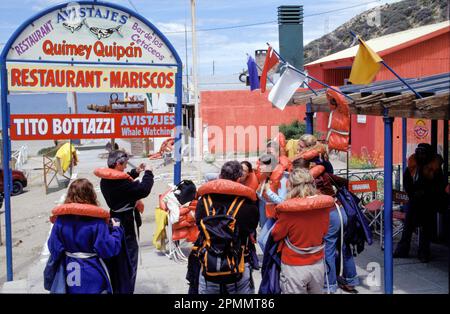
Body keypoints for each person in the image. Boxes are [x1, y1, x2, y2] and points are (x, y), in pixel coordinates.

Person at [45, 179, 124, 294]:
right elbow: (109, 249)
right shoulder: (97, 222)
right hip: (93, 272)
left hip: (70, 271)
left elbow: (54, 249)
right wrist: (116, 230)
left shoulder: (61, 220)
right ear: (91, 195)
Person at [293, 157, 358, 293]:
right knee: (345, 246)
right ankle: (351, 280)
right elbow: (347, 183)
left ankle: (330, 285)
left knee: (328, 250)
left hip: (329, 215)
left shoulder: (305, 182)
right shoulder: (326, 175)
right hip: (341, 211)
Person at [194, 161, 259, 294]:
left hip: (210, 265)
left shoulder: (204, 201)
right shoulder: (247, 204)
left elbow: (199, 225)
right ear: (238, 178)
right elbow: (250, 228)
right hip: (238, 266)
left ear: (220, 176)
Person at [94, 150, 154, 292]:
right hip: (127, 224)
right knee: (129, 261)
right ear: (118, 163)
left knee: (117, 261)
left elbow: (122, 179)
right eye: (125, 164)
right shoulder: (121, 184)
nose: (126, 167)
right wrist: (149, 173)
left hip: (114, 220)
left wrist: (136, 171)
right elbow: (143, 189)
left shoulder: (106, 180)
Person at [271, 168, 335, 294]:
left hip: (294, 266)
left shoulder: (288, 211)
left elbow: (276, 235)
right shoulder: (323, 207)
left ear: (291, 185)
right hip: (317, 263)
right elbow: (325, 231)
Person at [394, 143, 447, 262]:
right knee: (407, 228)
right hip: (414, 201)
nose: (420, 155)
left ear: (428, 154)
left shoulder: (435, 168)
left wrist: (426, 192)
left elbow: (439, 186)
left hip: (428, 203)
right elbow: (407, 182)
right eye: (419, 152)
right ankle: (402, 250)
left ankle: (424, 253)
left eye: (423, 152)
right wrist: (413, 193)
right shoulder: (413, 166)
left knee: (425, 229)